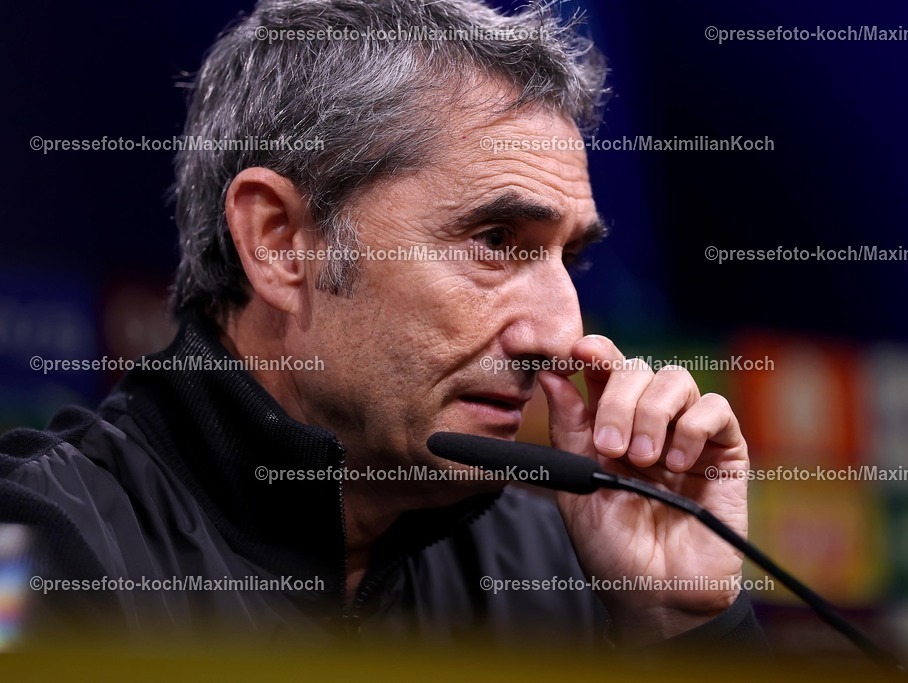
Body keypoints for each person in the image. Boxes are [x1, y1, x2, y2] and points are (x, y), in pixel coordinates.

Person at [1, 0, 764, 652]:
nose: (563, 335)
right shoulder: (45, 544)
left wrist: (680, 630)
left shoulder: (568, 568)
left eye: (571, 259)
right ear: (279, 241)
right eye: (497, 242)